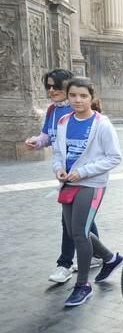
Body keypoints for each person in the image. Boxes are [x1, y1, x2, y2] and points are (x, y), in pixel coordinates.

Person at [52, 77, 123, 306]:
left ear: (92, 97)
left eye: (83, 96)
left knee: (80, 233)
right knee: (75, 231)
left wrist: (83, 172)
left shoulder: (102, 124)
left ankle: (83, 285)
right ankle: (110, 258)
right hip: (68, 183)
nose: (77, 100)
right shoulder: (63, 121)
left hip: (91, 185)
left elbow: (114, 157)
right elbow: (58, 153)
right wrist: (59, 169)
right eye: (73, 95)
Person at [25, 68, 101, 283]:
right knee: (81, 222)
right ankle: (100, 255)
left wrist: (85, 170)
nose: (51, 90)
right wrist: (37, 142)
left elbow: (105, 151)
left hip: (86, 177)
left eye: (56, 86)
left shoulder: (81, 110)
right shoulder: (52, 111)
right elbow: (49, 138)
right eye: (48, 86)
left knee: (70, 223)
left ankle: (64, 264)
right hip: (65, 175)